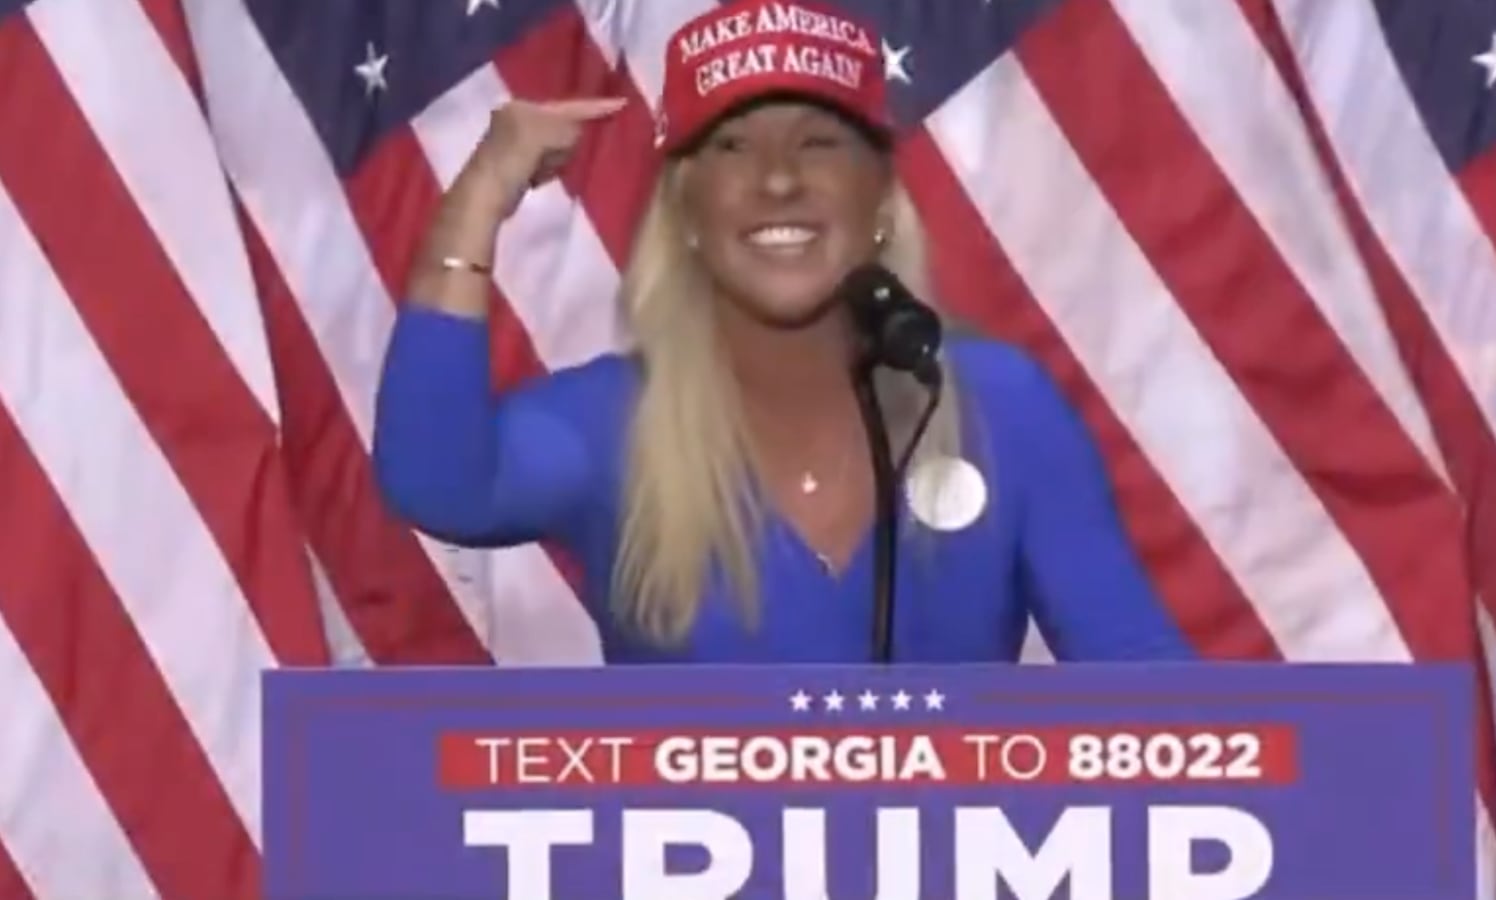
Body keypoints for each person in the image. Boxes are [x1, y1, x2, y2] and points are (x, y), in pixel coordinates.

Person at [372, 0, 1193, 664]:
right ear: (687, 214)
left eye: (819, 143)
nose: (777, 179)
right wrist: (476, 198)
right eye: (732, 147)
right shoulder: (611, 423)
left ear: (877, 201)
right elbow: (435, 481)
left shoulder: (1000, 405)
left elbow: (1146, 691)